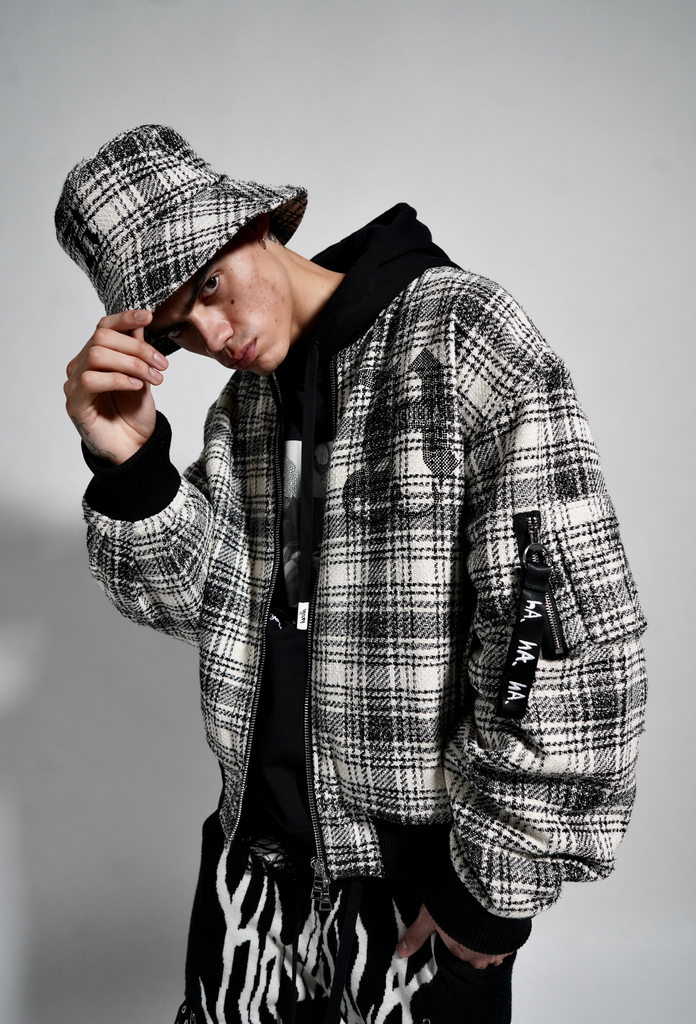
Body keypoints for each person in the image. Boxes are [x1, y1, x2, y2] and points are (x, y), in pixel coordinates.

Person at [56, 125, 647, 1024]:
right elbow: (199, 604)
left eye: (208, 286)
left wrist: (496, 882)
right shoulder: (244, 410)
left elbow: (566, 622)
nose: (213, 335)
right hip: (254, 884)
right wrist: (130, 462)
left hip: (414, 892)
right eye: (176, 328)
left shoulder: (462, 336)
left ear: (256, 226)